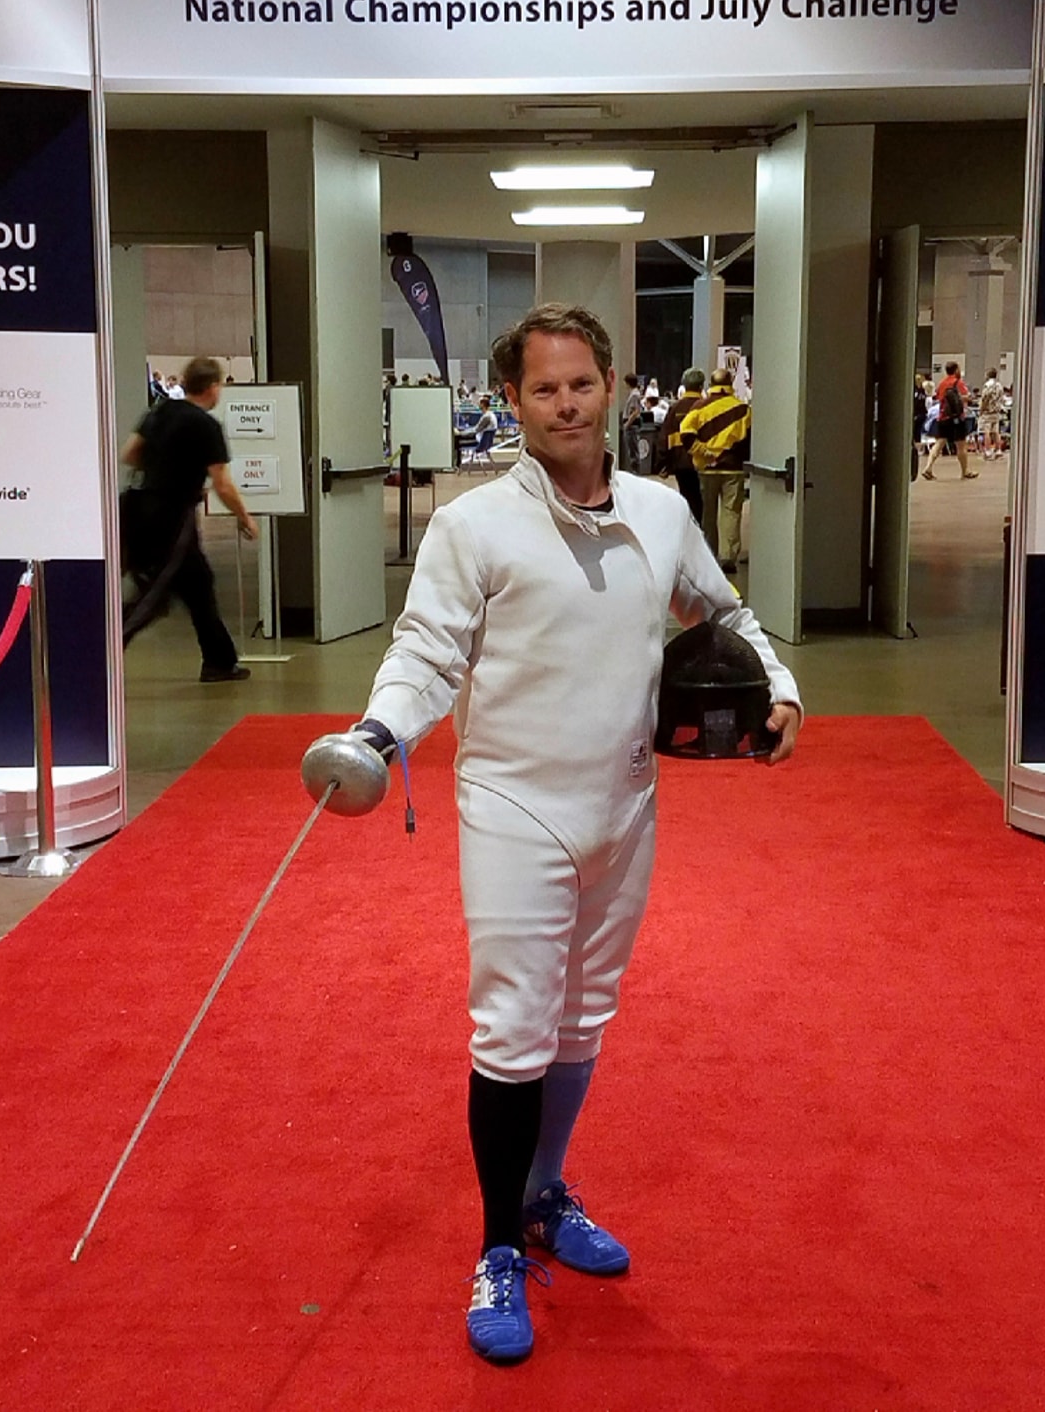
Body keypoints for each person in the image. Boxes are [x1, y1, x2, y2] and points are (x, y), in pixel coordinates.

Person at [321, 303, 800, 1365]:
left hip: (622, 804)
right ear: (514, 400)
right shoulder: (475, 526)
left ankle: (542, 1196)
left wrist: (779, 687)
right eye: (543, 388)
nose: (566, 404)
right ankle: (497, 1247)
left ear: (611, 385)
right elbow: (426, 651)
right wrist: (379, 732)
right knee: (512, 1030)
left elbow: (723, 614)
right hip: (514, 807)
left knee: (582, 1020)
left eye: (581, 383)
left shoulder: (660, 510)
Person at [118, 355, 258, 678]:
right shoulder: (206, 426)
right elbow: (222, 483)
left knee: (199, 583)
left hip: (140, 507)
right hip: (171, 517)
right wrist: (245, 517)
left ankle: (219, 661)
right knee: (154, 594)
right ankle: (103, 650)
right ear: (212, 387)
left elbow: (130, 453)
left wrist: (164, 470)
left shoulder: (161, 411)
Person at [681, 366, 751, 572]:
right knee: (731, 513)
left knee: (708, 514)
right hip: (734, 469)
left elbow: (685, 433)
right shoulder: (742, 409)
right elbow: (748, 439)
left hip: (706, 469)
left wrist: (704, 452)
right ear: (730, 384)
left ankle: (710, 554)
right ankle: (728, 556)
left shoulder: (699, 407)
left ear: (711, 384)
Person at [659, 369, 706, 522]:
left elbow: (665, 436)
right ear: (701, 386)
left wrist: (664, 463)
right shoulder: (706, 407)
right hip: (703, 461)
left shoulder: (675, 408)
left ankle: (689, 526)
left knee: (687, 497)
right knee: (703, 501)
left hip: (680, 462)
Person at [921, 362, 978, 481]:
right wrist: (968, 398)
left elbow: (939, 398)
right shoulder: (958, 382)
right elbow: (965, 397)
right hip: (957, 418)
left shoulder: (942, 383)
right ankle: (965, 471)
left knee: (939, 443)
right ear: (956, 370)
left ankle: (928, 468)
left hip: (943, 417)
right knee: (961, 445)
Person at [977, 369, 1005, 460]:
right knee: (996, 432)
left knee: (987, 432)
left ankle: (988, 451)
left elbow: (984, 399)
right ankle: (998, 450)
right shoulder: (999, 385)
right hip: (996, 412)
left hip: (987, 412)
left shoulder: (987, 385)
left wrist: (981, 409)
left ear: (988, 375)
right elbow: (1001, 398)